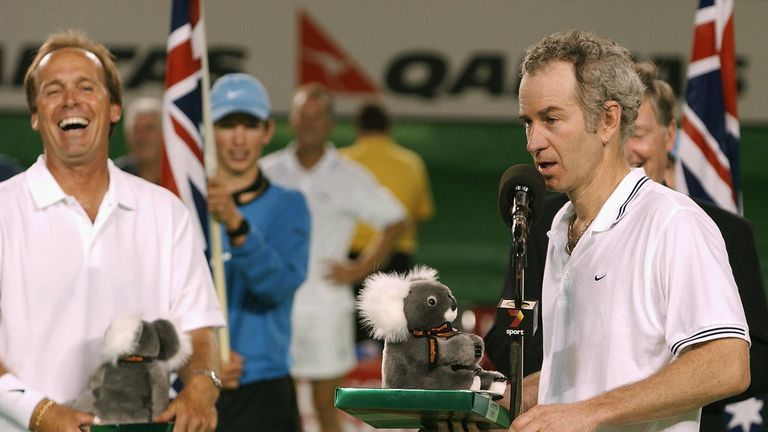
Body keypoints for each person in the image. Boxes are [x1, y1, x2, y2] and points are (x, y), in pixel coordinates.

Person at [504, 30, 749, 432]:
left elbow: (726, 362)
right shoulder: (556, 231)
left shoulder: (672, 222)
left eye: (551, 119)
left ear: (608, 120)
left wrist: (589, 412)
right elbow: (594, 380)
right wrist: (501, 397)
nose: (534, 141)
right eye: (527, 123)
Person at [0, 30, 224, 432]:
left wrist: (201, 386)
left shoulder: (166, 213)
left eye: (86, 87)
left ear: (114, 108)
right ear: (35, 115)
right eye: (54, 91)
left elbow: (198, 329)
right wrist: (39, 412)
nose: (71, 100)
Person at [261, 83, 407, 432]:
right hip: (271, 307)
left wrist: (359, 269)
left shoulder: (348, 176)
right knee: (274, 405)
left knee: (325, 406)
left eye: (318, 116)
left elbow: (396, 220)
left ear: (330, 123)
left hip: (326, 307)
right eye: (302, 116)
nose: (309, 123)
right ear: (291, 120)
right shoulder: (268, 171)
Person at [206, 73, 310, 431]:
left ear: (267, 132)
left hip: (263, 389)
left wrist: (236, 225)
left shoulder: (289, 206)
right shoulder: (182, 206)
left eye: (249, 125)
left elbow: (278, 285)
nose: (238, 138)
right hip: (194, 386)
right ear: (207, 131)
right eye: (226, 124)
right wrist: (201, 359)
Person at [340, 100, 434, 349]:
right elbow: (420, 214)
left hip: (351, 260)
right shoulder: (411, 163)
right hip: (396, 260)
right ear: (389, 127)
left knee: (349, 340)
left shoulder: (342, 162)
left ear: (358, 127)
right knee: (393, 342)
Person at [114, 96, 163, 183]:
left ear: (163, 133)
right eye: (136, 130)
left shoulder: (178, 176)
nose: (141, 137)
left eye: (149, 128)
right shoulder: (114, 175)